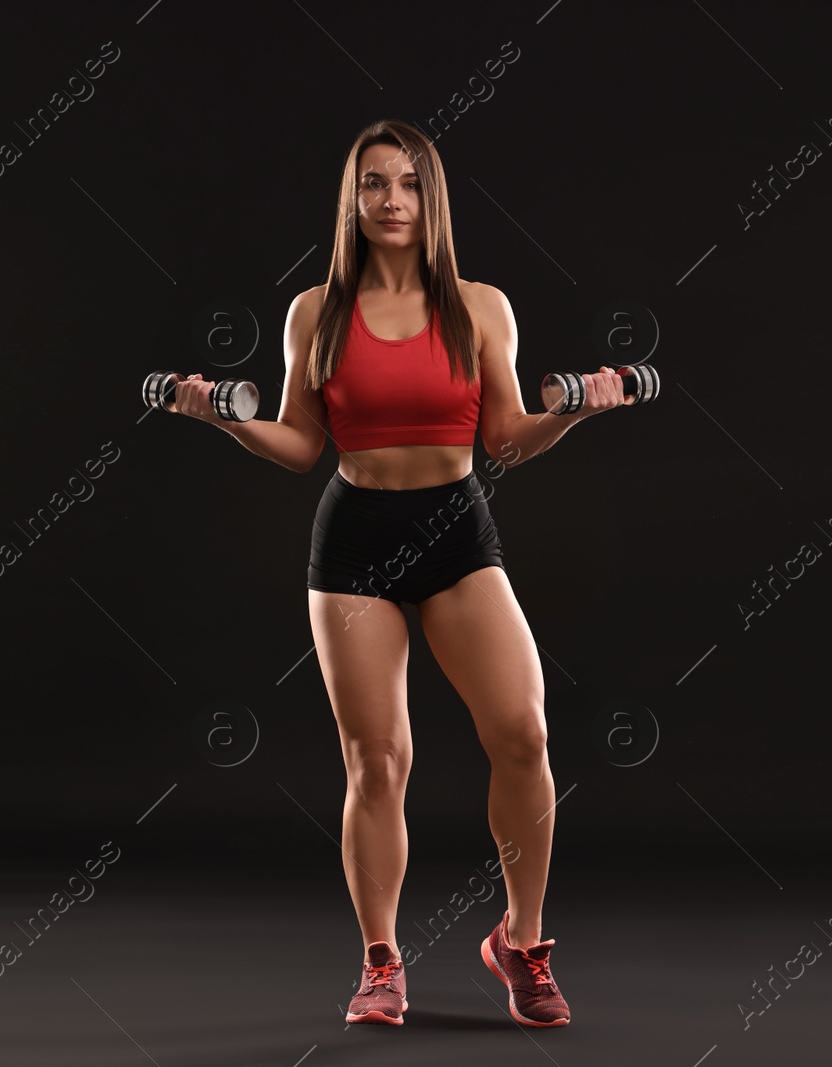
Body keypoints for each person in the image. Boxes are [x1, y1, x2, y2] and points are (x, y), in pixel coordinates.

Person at [167, 119, 633, 1028]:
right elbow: (302, 443)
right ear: (352, 200)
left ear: (433, 200)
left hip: (457, 528)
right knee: (378, 760)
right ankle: (382, 962)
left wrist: (579, 411)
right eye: (374, 184)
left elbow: (505, 439)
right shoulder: (315, 313)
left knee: (524, 735)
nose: (392, 201)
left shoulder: (481, 307)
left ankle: (521, 944)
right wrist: (218, 416)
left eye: (410, 184)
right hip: (355, 542)